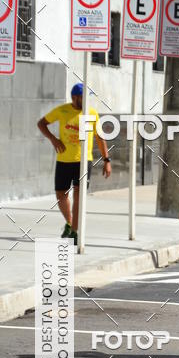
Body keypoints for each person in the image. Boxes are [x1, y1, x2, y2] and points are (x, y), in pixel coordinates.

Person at [37, 83, 112, 244]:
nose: (87, 101)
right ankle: (70, 224)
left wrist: (107, 160)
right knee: (61, 195)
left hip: (83, 161)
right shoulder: (62, 110)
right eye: (84, 97)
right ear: (75, 97)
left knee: (78, 195)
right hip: (63, 160)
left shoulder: (91, 113)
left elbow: (100, 137)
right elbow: (41, 123)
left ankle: (75, 232)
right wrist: (53, 139)